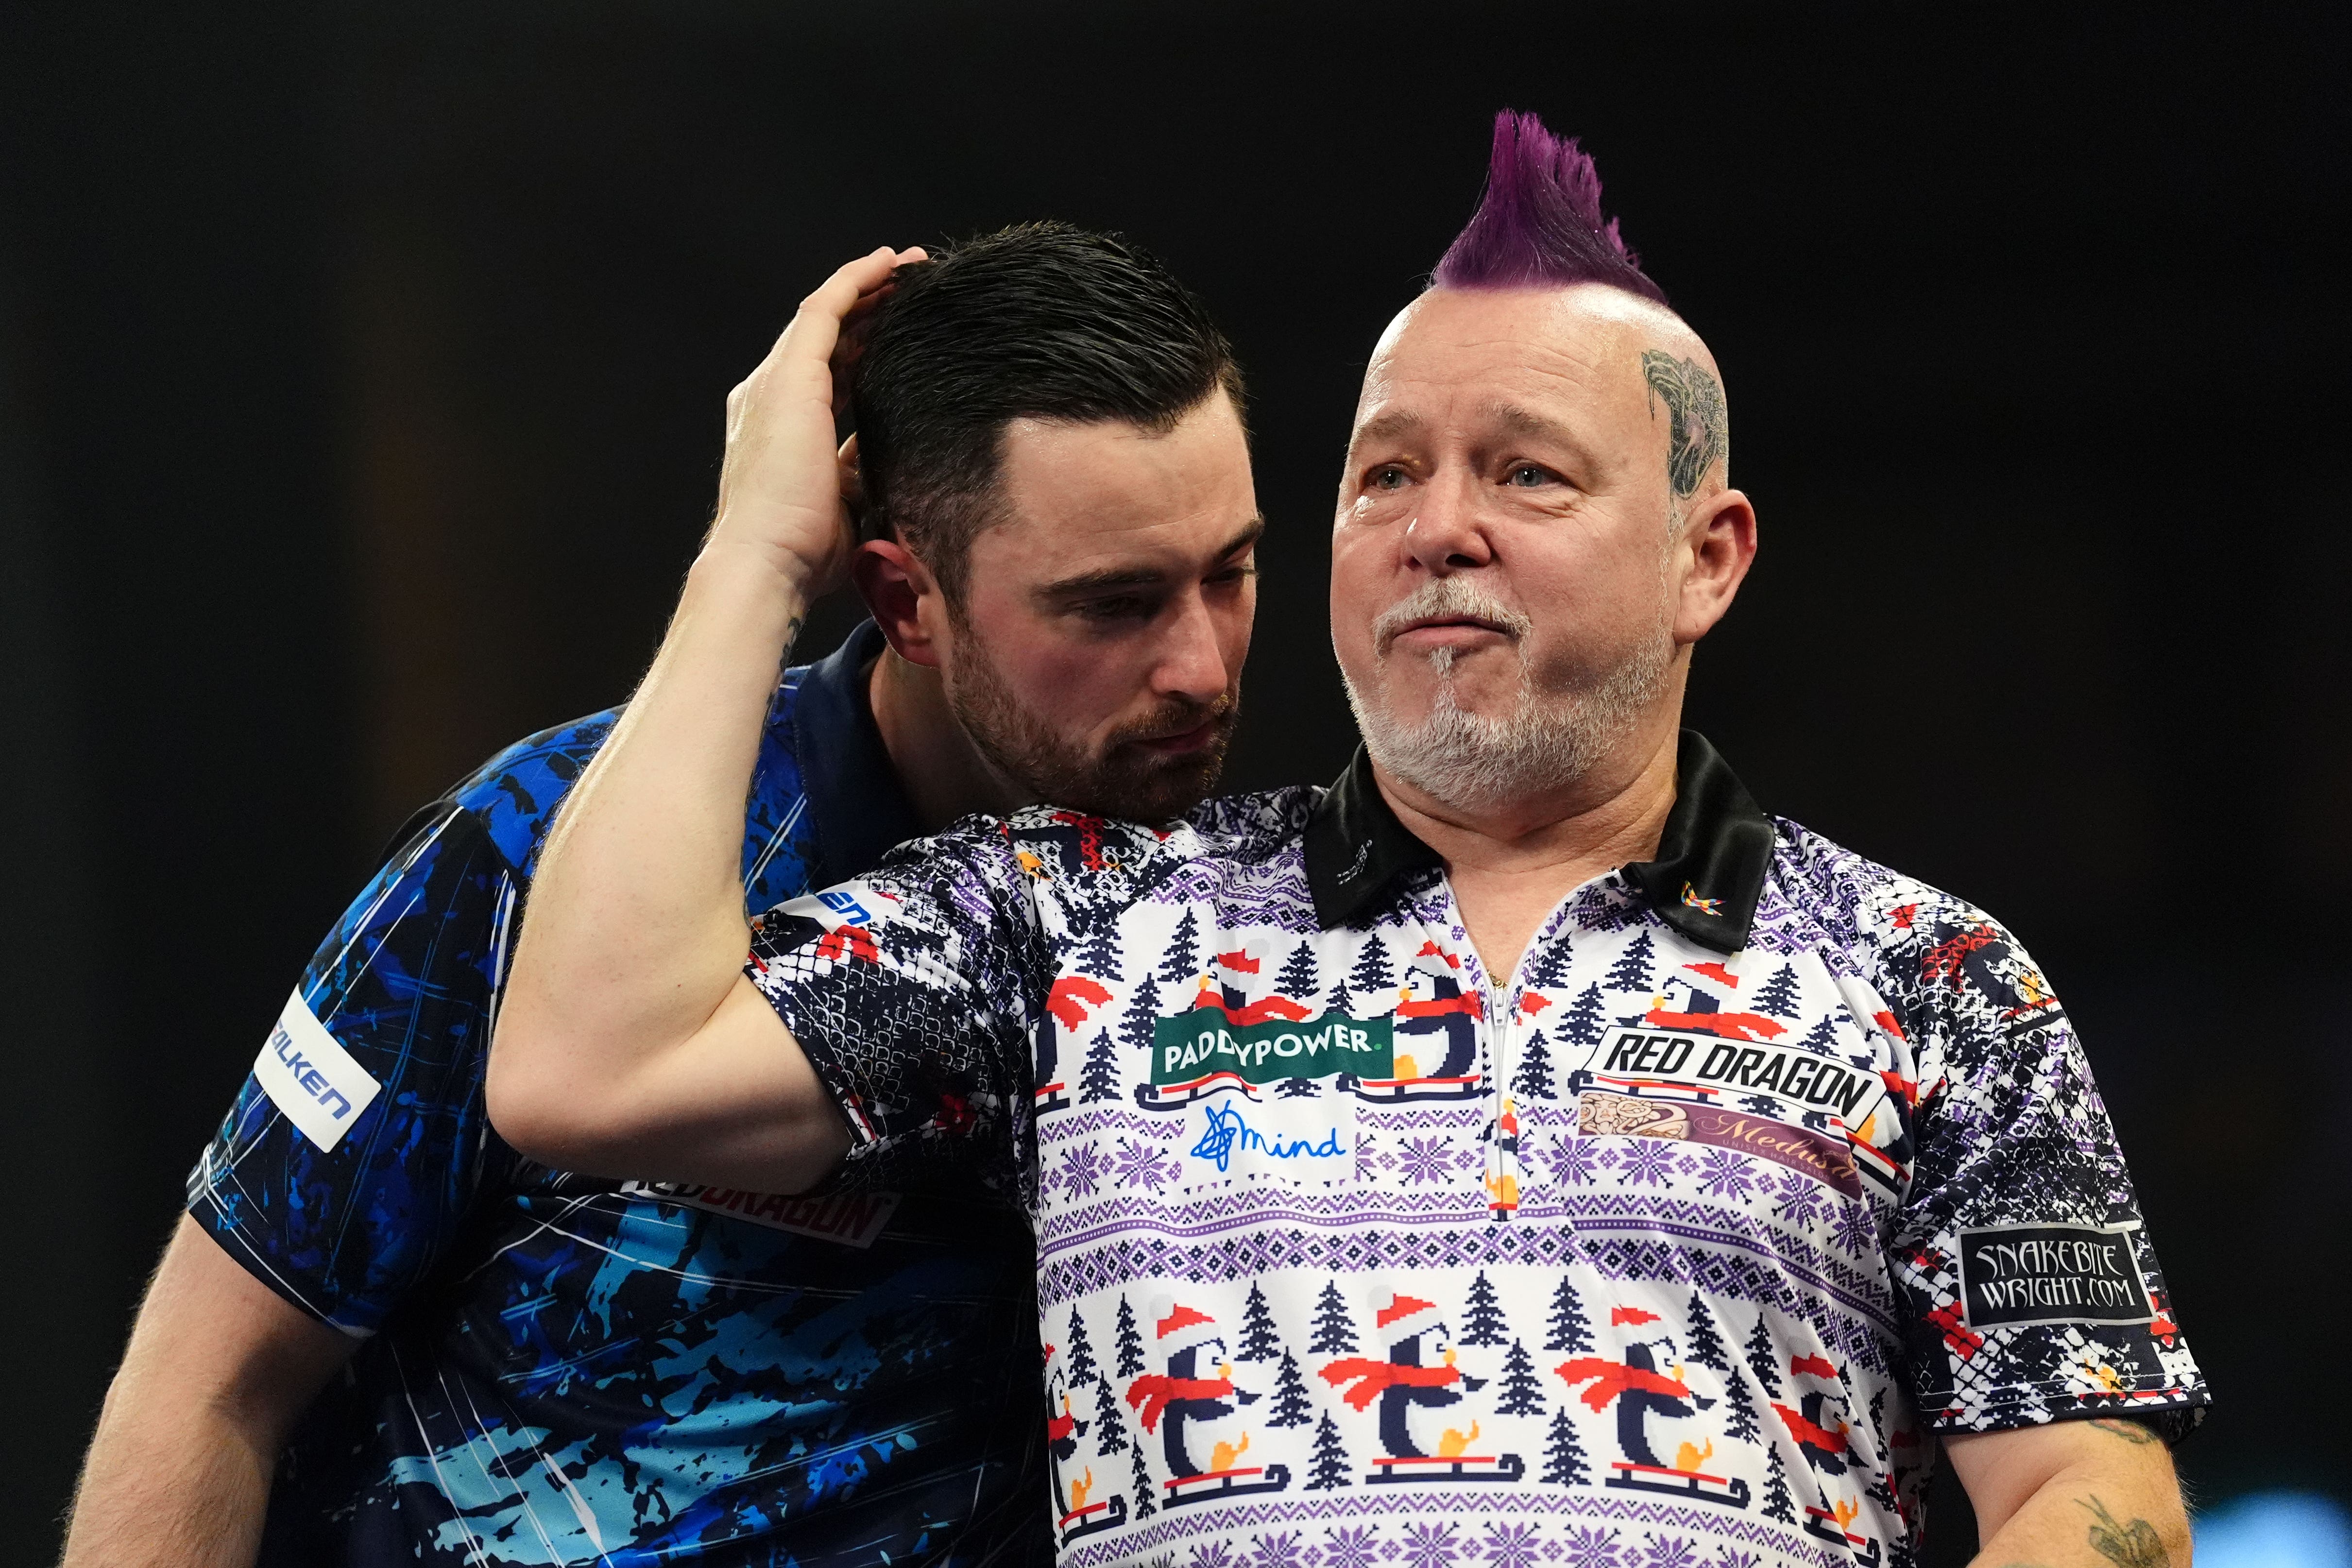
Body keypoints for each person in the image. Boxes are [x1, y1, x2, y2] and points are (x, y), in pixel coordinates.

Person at [491, 114, 2208, 1568]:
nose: (1435, 525)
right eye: (1383, 474)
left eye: (1524, 474)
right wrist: (756, 552)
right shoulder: (1078, 916)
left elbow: (2092, 1477)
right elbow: (590, 1065)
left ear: (1708, 554)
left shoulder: (1928, 976)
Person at [60, 222, 1261, 1568]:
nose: (1202, 669)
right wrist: (752, 546)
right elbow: (207, 1387)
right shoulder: (527, 845)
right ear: (904, 601)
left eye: (1231, 571)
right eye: (1113, 604)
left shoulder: (1239, 930)